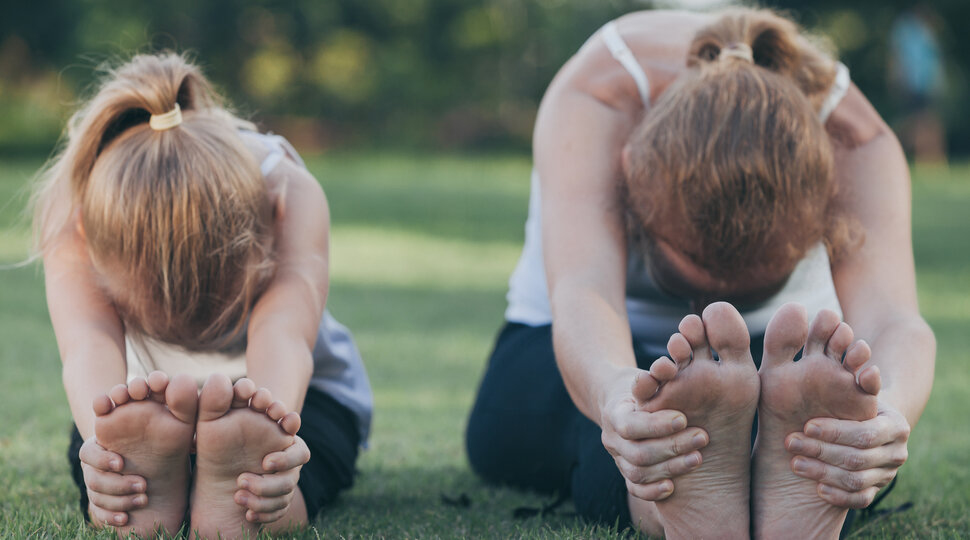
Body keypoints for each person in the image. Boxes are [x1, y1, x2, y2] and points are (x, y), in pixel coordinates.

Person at [466, 8, 934, 539]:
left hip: (774, 361)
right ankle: (724, 483)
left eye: (748, 288)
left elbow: (895, 321)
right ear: (630, 169)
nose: (705, 313)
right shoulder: (599, 94)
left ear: (826, 208)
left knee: (836, 436)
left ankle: (758, 480)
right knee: (618, 432)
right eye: (682, 280)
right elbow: (583, 289)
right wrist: (619, 399)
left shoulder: (855, 141)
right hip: (584, 343)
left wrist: (884, 417)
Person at [33, 53, 373, 538]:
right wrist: (104, 456)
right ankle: (136, 493)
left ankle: (261, 505)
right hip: (141, 404)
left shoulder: (286, 192)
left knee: (311, 458)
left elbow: (285, 333)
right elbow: (89, 344)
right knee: (96, 448)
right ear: (91, 238)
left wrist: (272, 450)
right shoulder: (75, 212)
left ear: (266, 228)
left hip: (297, 396)